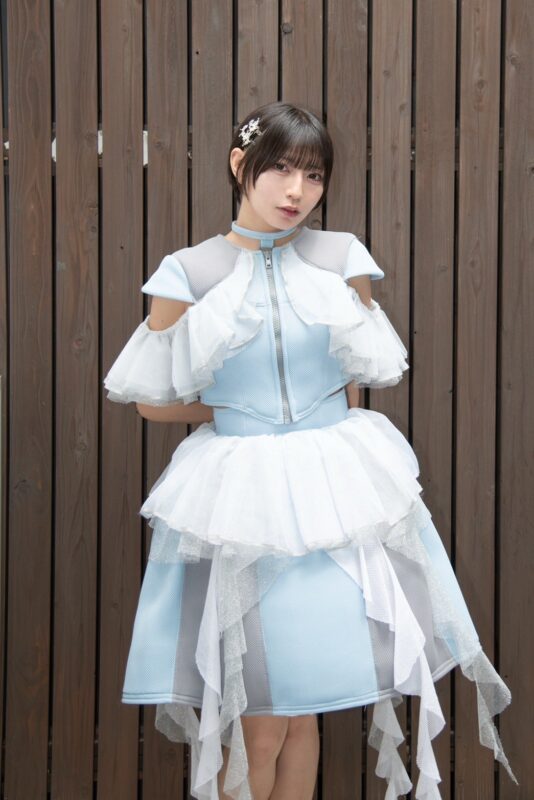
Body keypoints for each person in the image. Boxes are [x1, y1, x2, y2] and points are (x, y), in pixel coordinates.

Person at [103, 101, 517, 800]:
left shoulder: (342, 257)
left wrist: (317, 424)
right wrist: (237, 413)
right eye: (281, 170)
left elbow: (353, 377)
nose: (297, 191)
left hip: (333, 497)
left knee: (304, 717)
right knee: (261, 721)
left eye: (314, 175)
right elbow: (150, 399)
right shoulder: (188, 272)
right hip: (244, 502)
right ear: (241, 165)